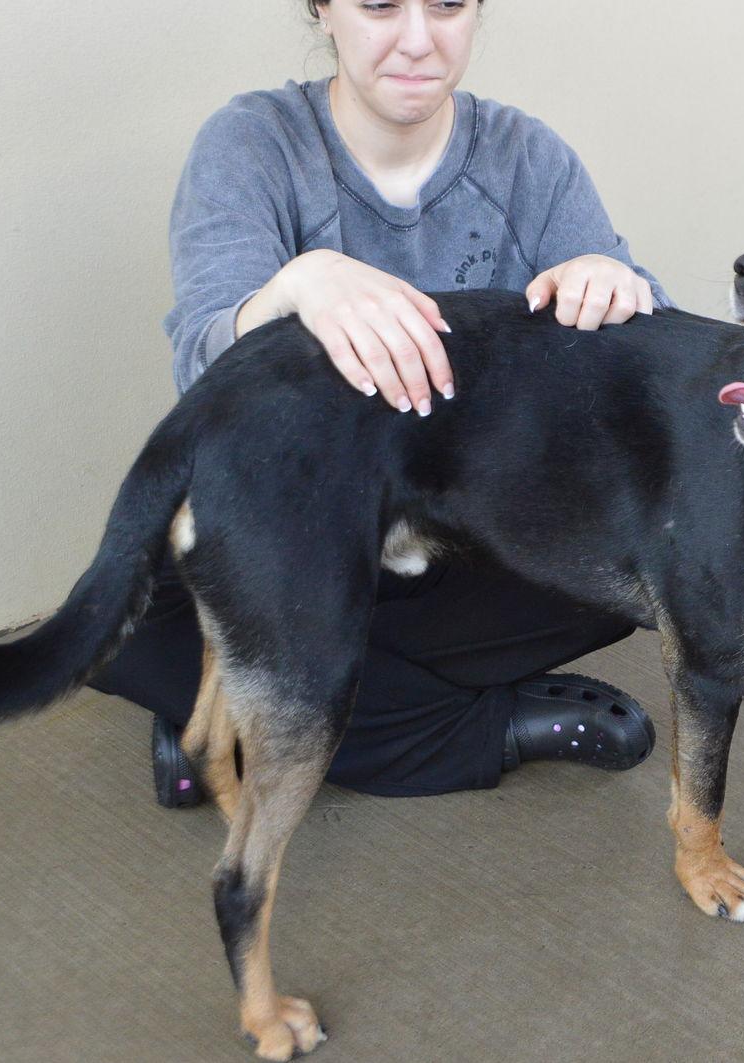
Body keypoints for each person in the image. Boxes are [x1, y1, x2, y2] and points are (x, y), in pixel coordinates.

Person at [89, 0, 664, 803]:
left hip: (460, 534)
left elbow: (644, 376)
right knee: (128, 621)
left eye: (448, 5)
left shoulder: (527, 157)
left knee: (635, 561)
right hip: (295, 535)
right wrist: (294, 288)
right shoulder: (252, 142)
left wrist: (618, 289)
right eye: (381, 5)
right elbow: (203, 369)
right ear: (324, 11)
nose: (418, 40)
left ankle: (233, 714)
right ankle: (485, 726)